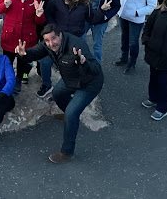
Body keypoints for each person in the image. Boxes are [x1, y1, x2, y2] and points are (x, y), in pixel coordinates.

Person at [15, 25, 103, 164]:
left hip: (89, 83)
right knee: (57, 94)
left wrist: (84, 63)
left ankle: (67, 152)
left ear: (60, 35)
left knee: (71, 113)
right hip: (70, 79)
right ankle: (70, 116)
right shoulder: (47, 45)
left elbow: (96, 69)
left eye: (54, 38)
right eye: (47, 40)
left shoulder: (76, 45)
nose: (51, 43)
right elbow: (34, 53)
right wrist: (23, 54)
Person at [38, 0, 103, 98]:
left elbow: (92, 19)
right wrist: (54, 27)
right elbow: (48, 13)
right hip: (57, 38)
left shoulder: (85, 4)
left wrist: (102, 10)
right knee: (45, 61)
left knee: (72, 65)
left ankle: (70, 88)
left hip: (75, 39)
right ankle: (46, 85)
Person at [0, 0, 45, 93]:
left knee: (25, 63)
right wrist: (5, 5)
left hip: (27, 37)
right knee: (8, 60)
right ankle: (8, 79)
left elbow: (39, 22)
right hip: (10, 36)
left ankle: (22, 78)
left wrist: (39, 14)